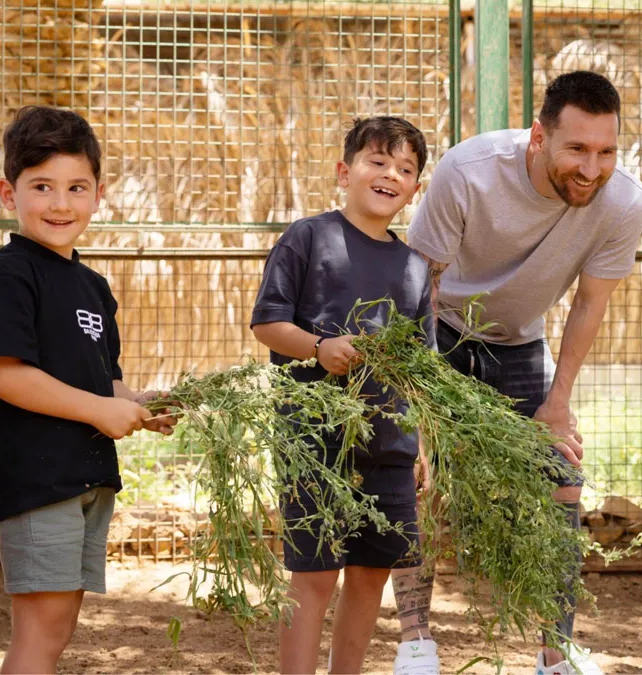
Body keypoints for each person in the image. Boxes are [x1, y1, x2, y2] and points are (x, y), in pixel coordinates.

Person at [391, 70, 642, 675]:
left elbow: (590, 305)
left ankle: (554, 655)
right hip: (441, 330)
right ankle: (416, 642)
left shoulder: (623, 203)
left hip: (520, 342)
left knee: (563, 476)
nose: (592, 168)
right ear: (539, 137)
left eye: (606, 151)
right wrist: (420, 403)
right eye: (577, 149)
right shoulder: (468, 171)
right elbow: (417, 288)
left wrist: (558, 404)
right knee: (415, 476)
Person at [0, 105, 178, 674]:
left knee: (57, 630)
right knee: (40, 633)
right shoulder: (11, 276)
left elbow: (102, 379)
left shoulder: (92, 286)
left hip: (85, 476)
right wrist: (99, 410)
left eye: (76, 187)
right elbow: (3, 374)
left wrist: (139, 407)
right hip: (38, 478)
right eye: (42, 187)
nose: (61, 204)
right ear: (9, 194)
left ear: (98, 194)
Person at [250, 116, 435, 675]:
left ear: (415, 188)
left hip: (390, 444)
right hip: (314, 437)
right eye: (377, 162)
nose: (389, 175)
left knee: (371, 573)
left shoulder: (414, 267)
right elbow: (267, 323)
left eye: (405, 169)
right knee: (313, 575)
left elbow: (419, 371)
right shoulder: (308, 237)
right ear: (344, 171)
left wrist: (421, 441)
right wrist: (318, 348)